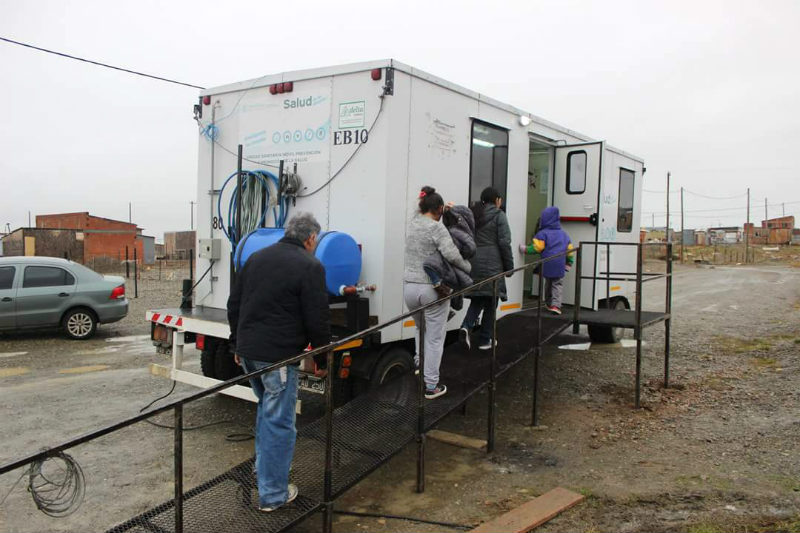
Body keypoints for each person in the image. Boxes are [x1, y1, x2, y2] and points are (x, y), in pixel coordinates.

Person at [227, 212, 330, 512]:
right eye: (316, 241)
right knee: (280, 424)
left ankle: (264, 471)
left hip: (250, 353)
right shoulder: (310, 266)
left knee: (266, 413)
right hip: (277, 358)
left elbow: (235, 304)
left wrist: (237, 343)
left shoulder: (256, 258)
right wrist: (322, 357)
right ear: (311, 238)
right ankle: (273, 494)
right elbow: (317, 319)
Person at [404, 186, 472, 399]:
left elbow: (419, 209)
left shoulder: (413, 223)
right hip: (431, 289)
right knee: (434, 338)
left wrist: (439, 206)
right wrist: (467, 267)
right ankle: (431, 385)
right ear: (440, 209)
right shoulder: (436, 228)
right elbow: (452, 255)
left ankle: (419, 365)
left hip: (409, 288)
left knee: (420, 328)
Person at [459, 187, 514, 350]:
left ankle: (466, 326)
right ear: (497, 200)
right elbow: (504, 242)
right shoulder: (499, 215)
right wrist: (509, 267)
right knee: (491, 299)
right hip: (493, 264)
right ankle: (484, 340)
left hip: (474, 262)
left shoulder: (473, 215)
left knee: (478, 297)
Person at [519, 206, 574, 314]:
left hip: (547, 264)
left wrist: (524, 249)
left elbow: (537, 248)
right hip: (559, 264)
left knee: (548, 283)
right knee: (557, 284)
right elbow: (570, 250)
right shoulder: (564, 234)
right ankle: (556, 305)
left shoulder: (542, 234)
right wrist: (569, 263)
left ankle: (548, 303)